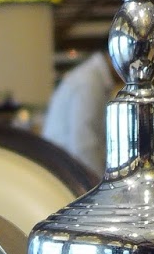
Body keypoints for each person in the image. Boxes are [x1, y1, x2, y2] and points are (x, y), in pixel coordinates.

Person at [40, 49, 116, 179]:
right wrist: (98, 187)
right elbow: (84, 144)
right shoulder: (89, 82)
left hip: (66, 168)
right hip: (64, 173)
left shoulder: (93, 78)